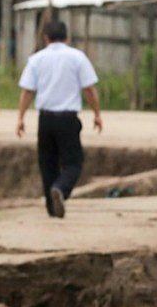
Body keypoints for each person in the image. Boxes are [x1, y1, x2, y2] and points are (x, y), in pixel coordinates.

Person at [15, 19, 103, 218]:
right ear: (67, 37)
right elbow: (89, 89)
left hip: (45, 119)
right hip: (68, 119)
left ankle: (52, 209)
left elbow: (27, 91)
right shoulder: (77, 57)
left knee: (47, 164)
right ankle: (61, 189)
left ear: (45, 38)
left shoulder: (36, 59)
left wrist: (20, 117)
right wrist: (97, 114)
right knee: (73, 162)